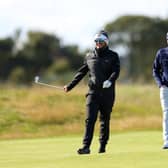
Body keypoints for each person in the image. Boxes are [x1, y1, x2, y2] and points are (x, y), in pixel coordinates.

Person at [64, 30, 120, 154]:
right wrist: (70, 86)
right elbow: (81, 73)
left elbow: (116, 71)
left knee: (104, 120)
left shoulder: (113, 56)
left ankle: (102, 146)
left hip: (107, 94)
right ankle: (86, 147)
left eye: (101, 41)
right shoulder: (89, 56)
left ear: (106, 42)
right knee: (90, 120)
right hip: (93, 93)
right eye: (96, 41)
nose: (98, 43)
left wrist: (110, 81)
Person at [153, 32, 168, 149]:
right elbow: (155, 70)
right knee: (167, 114)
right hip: (165, 88)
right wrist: (160, 84)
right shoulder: (161, 52)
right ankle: (167, 141)